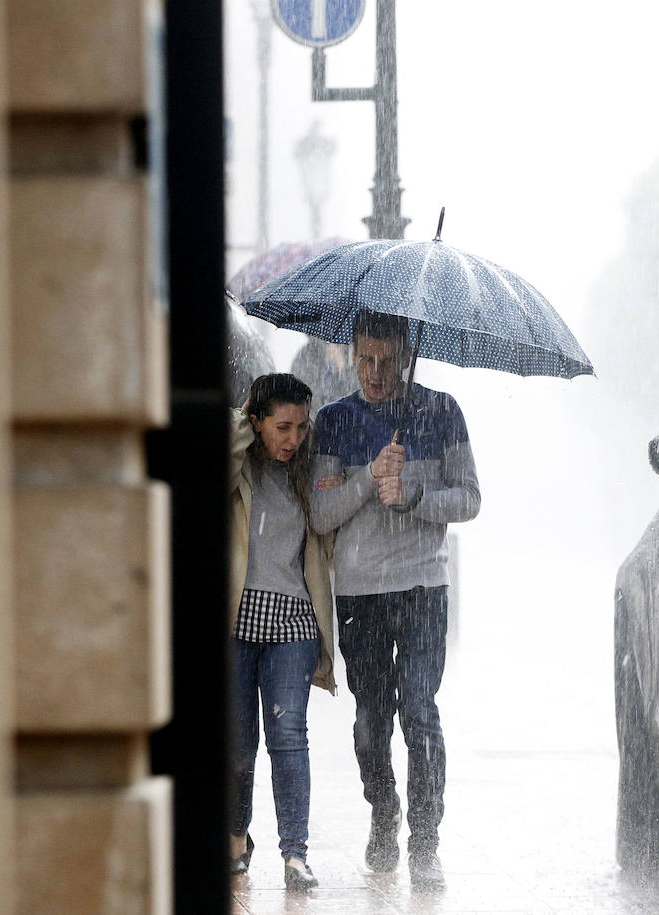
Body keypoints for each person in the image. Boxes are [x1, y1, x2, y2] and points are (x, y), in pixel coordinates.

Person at [310, 310, 481, 890]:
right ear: (352, 355)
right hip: (360, 593)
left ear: (408, 356)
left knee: (420, 711)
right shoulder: (334, 421)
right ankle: (384, 809)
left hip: (423, 586)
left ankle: (425, 841)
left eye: (387, 360)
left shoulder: (442, 411)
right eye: (365, 359)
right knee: (370, 720)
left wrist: (413, 494)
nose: (376, 372)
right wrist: (367, 478)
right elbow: (321, 513)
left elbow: (470, 498)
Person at [227, 373, 336, 891]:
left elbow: (327, 529)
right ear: (256, 423)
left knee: (288, 735)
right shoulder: (239, 469)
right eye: (282, 427)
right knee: (237, 743)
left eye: (301, 426)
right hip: (236, 625)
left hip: (293, 624)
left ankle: (295, 854)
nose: (294, 438)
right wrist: (242, 423)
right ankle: (234, 839)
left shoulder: (307, 471)